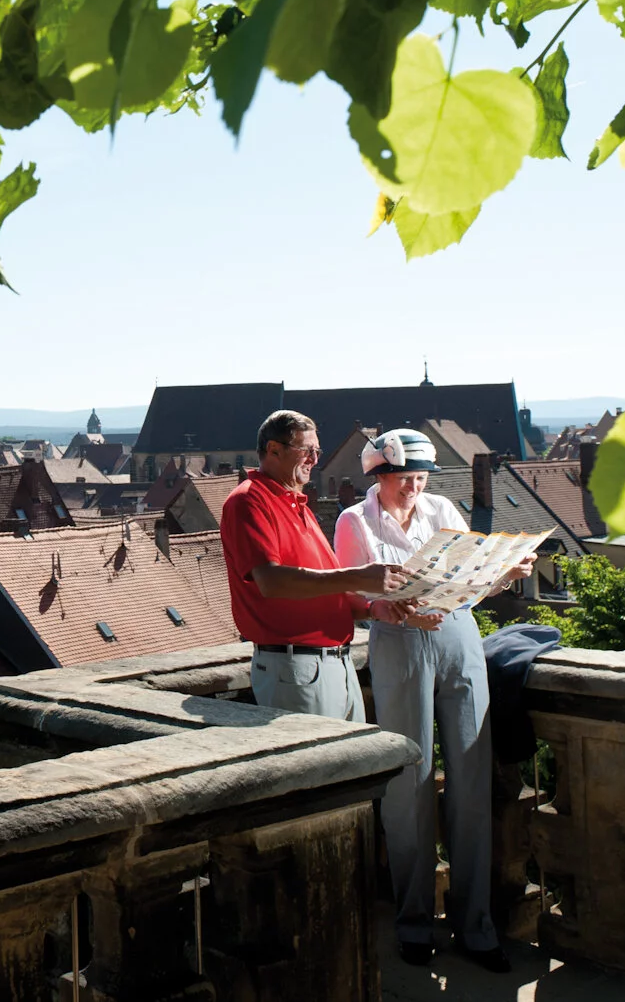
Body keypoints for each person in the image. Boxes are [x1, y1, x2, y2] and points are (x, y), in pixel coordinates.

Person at [333, 428, 534, 974]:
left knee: (471, 778)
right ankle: (414, 922)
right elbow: (353, 596)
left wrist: (502, 575)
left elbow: (468, 580)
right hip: (399, 642)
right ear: (379, 476)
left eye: (420, 479)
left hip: (458, 634)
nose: (413, 489)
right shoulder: (354, 521)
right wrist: (392, 611)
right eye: (404, 480)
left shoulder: (441, 505)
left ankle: (477, 926)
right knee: (408, 784)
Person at [220, 410, 411, 721]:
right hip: (296, 669)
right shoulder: (249, 501)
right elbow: (271, 581)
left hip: (335, 663)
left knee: (355, 765)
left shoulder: (297, 504)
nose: (314, 459)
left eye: (316, 451)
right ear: (273, 450)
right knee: (327, 767)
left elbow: (326, 590)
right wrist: (358, 575)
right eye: (305, 450)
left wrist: (373, 609)